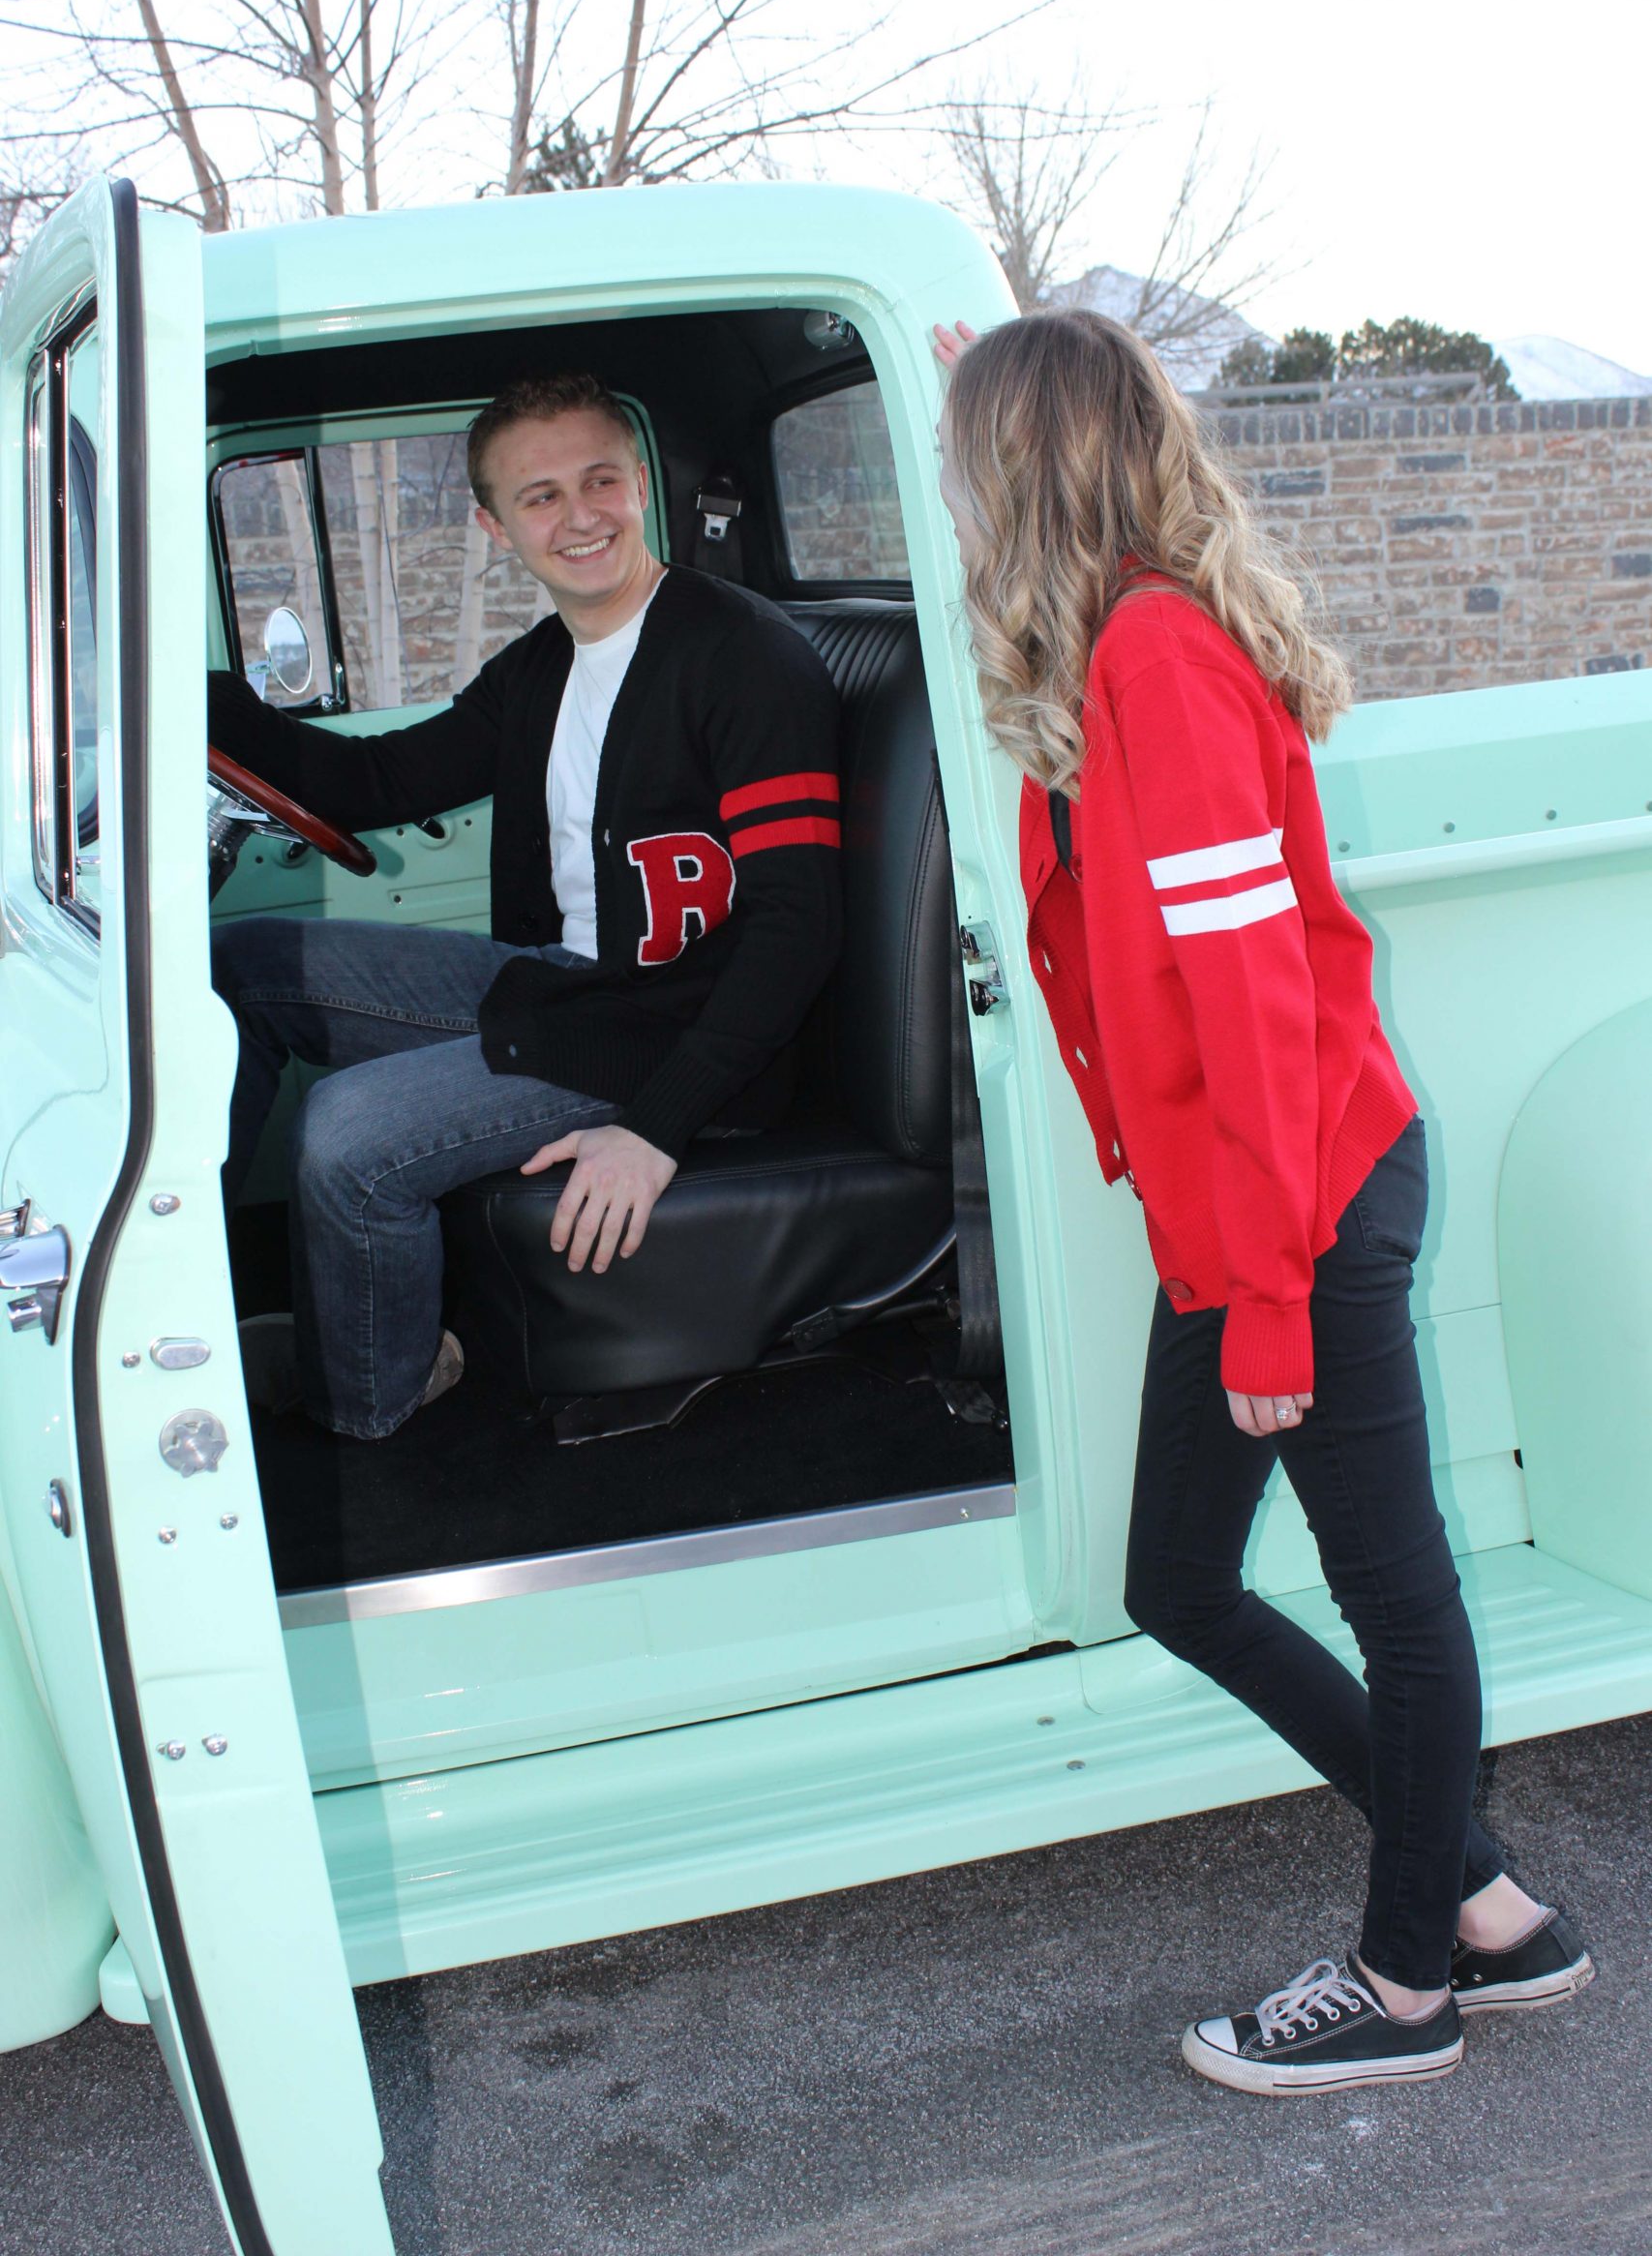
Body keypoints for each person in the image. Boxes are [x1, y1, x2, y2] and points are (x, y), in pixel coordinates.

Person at [933, 309, 1591, 2095]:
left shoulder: (1155, 655)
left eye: (964, 459)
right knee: (1177, 1579)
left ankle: (1401, 1989)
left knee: (1394, 1597)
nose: (953, 500)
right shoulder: (1131, 646)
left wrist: (1271, 1292)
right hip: (1253, 1202)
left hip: (1295, 1196)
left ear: (1024, 472)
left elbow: (1252, 1008)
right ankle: (1494, 1915)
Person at [209, 372, 842, 1439]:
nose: (578, 514)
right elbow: (378, 783)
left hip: (671, 1032)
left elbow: (800, 923)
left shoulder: (743, 657)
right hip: (569, 991)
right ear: (494, 524)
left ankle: (373, 1402)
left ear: (639, 484)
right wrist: (191, 699)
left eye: (600, 478)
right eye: (540, 495)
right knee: (246, 968)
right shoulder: (544, 664)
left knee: (346, 1138)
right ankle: (180, 1285)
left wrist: (655, 1127)